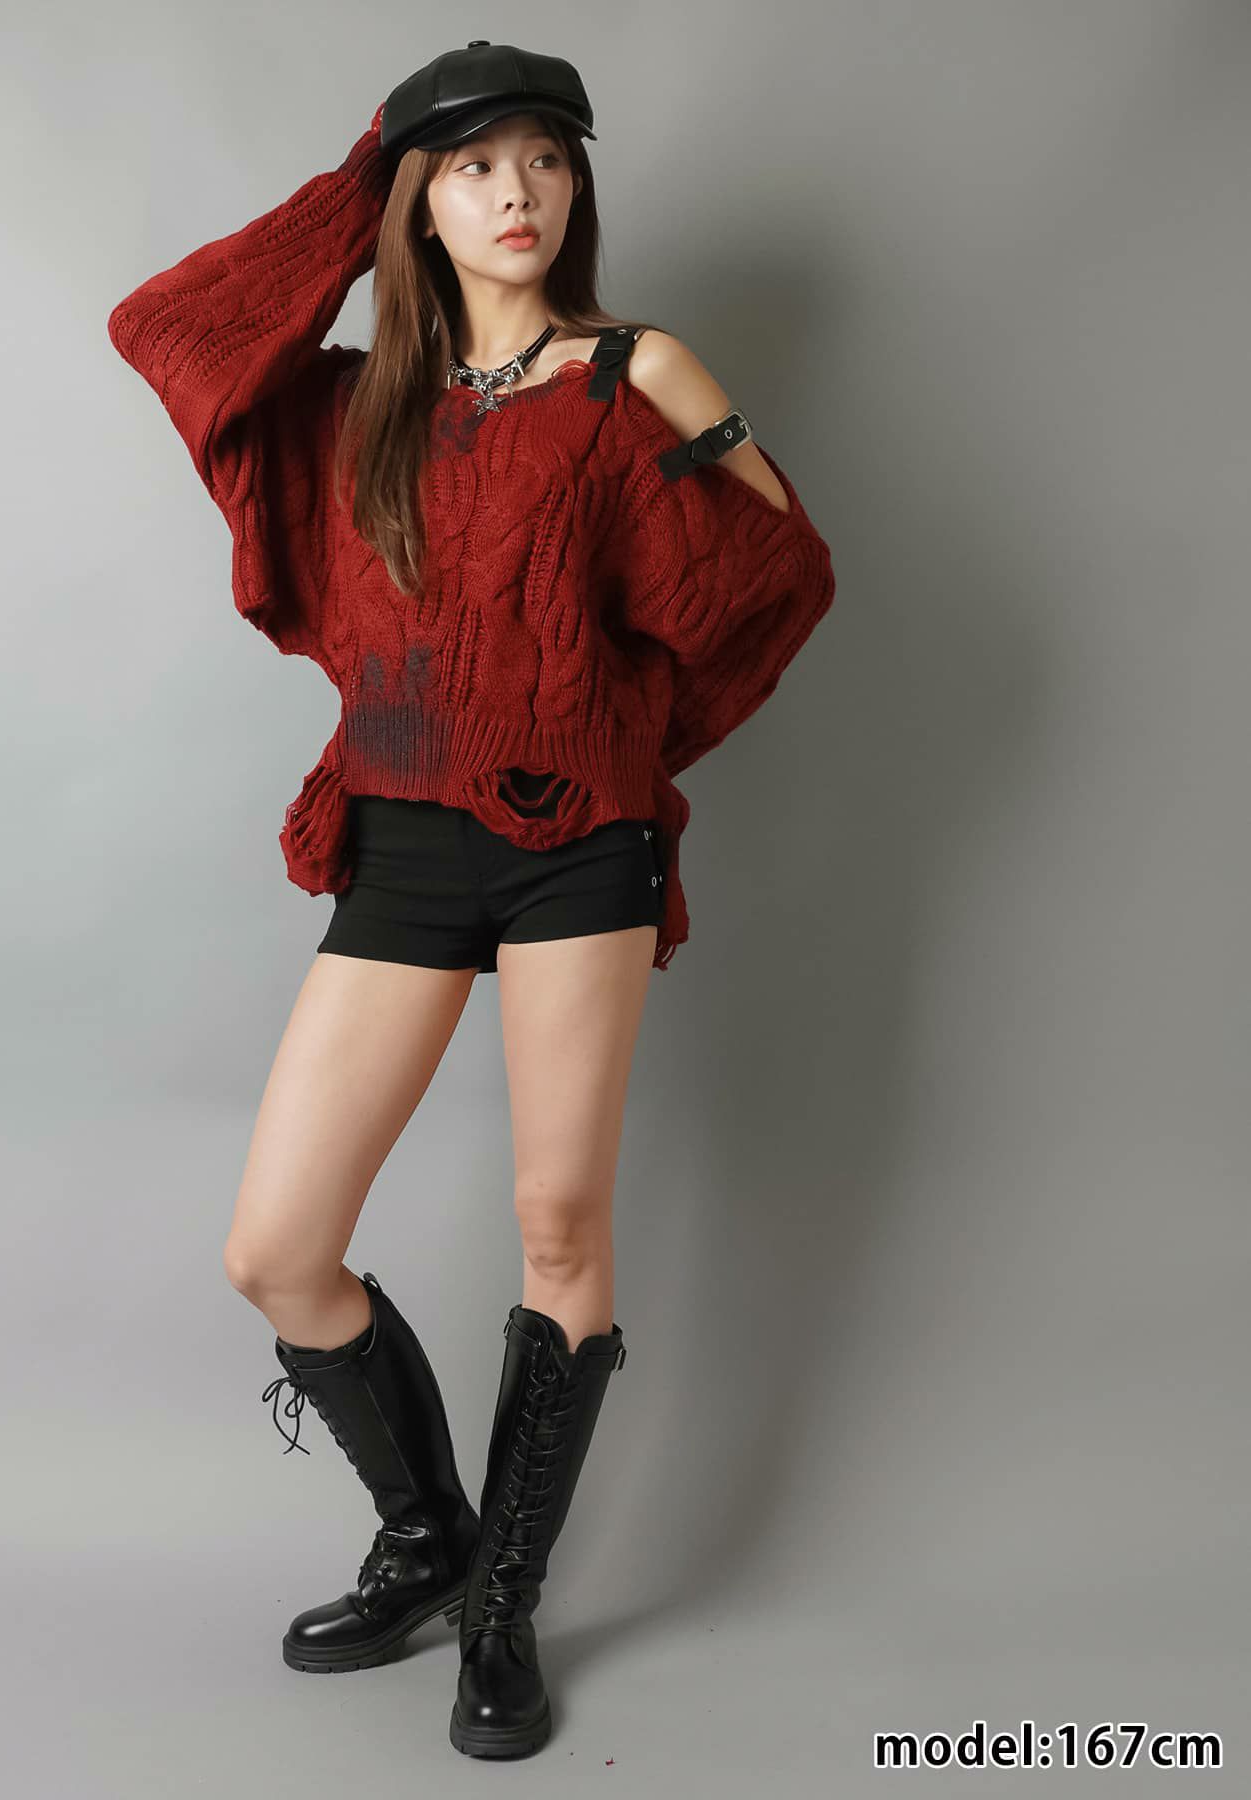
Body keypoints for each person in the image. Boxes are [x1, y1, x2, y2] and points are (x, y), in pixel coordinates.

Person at [106, 40, 836, 1761]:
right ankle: (428, 1535)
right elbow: (169, 326)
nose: (519, 193)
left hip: (580, 842)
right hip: (404, 840)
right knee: (278, 1246)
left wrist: (612, 727)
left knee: (560, 1224)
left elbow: (775, 577)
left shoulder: (635, 369)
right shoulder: (357, 401)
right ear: (416, 204)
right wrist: (371, 159)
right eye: (473, 166)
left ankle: (501, 1604)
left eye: (545, 159)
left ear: (579, 185)